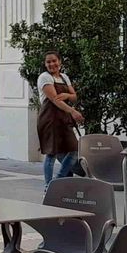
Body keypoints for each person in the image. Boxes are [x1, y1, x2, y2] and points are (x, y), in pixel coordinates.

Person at [36, 51, 84, 187]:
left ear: (60, 62)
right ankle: (48, 185)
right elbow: (55, 100)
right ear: (45, 65)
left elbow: (74, 96)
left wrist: (67, 95)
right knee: (51, 153)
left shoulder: (64, 77)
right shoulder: (44, 78)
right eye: (48, 62)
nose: (52, 64)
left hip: (63, 119)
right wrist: (73, 111)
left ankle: (58, 181)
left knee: (74, 149)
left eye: (54, 61)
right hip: (49, 120)